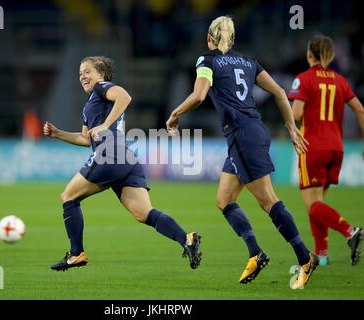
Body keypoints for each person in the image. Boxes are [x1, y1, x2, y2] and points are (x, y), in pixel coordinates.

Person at [166, 16, 317, 289]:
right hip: (253, 131)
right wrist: (290, 126)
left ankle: (305, 258)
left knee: (268, 201)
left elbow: (199, 96)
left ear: (209, 39)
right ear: (233, 40)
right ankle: (255, 254)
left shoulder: (206, 61)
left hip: (242, 135)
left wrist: (175, 112)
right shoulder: (249, 63)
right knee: (224, 199)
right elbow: (281, 92)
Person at [44, 56, 202, 271]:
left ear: (101, 74)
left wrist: (106, 125)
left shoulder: (101, 88)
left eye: (87, 71)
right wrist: (58, 134)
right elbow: (85, 139)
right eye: (80, 72)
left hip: (109, 154)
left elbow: (125, 96)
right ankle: (187, 239)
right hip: (125, 158)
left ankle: (76, 253)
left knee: (68, 197)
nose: (82, 76)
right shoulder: (90, 104)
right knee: (144, 214)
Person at [289, 35, 364, 266]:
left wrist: (289, 123)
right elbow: (360, 109)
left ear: (309, 54)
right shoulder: (340, 80)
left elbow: (297, 114)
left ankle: (350, 231)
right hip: (336, 149)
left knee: (312, 205)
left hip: (312, 147)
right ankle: (321, 255)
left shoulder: (303, 79)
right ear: (330, 55)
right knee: (318, 203)